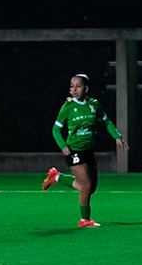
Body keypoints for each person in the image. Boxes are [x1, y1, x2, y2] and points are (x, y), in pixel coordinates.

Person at [44, 73, 126, 228]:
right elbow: (55, 130)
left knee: (90, 188)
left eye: (78, 86)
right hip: (74, 150)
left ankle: (56, 177)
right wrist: (63, 146)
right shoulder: (67, 108)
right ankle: (84, 220)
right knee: (86, 186)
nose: (74, 89)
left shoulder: (94, 105)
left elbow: (106, 122)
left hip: (89, 150)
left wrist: (117, 136)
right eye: (71, 86)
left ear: (86, 88)